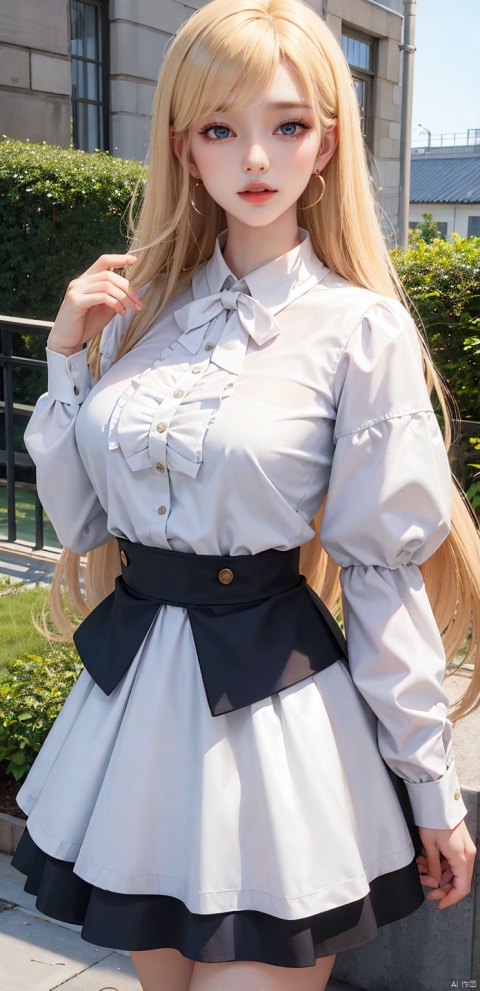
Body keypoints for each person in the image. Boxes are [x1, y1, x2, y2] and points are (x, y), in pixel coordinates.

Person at [12, 1, 479, 989]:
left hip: (276, 720)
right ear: (184, 146)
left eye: (288, 126)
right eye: (222, 128)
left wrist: (432, 791)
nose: (255, 158)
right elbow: (87, 522)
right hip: (139, 711)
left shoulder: (360, 330)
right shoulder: (140, 313)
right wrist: (65, 358)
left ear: (329, 145)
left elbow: (380, 564)